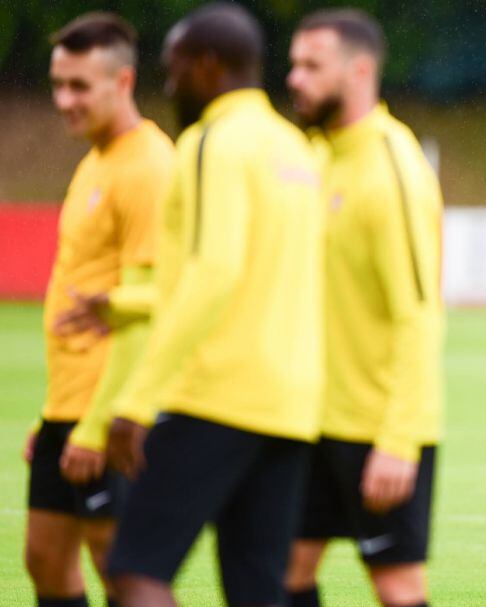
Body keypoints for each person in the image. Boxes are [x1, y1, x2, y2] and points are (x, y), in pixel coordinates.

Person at [101, 4, 324, 605]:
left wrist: (138, 399)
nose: (169, 86)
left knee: (134, 572)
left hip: (216, 395)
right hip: (291, 405)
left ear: (207, 65)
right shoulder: (294, 148)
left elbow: (216, 270)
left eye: (174, 70)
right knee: (257, 590)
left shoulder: (211, 141)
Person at [285, 9, 444, 607]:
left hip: (376, 427)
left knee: (397, 585)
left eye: (311, 66)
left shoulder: (391, 168)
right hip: (307, 421)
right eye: (293, 63)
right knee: (283, 573)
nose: (294, 78)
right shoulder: (317, 156)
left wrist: (399, 438)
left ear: (358, 70)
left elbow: (418, 312)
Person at [27, 12, 174, 607]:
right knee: (44, 558)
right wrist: (54, 416)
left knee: (123, 571)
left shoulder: (148, 167)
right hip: (71, 405)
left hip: (113, 413)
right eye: (58, 84)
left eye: (79, 86)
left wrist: (94, 425)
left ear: (123, 82)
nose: (65, 100)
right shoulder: (97, 160)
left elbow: (156, 304)